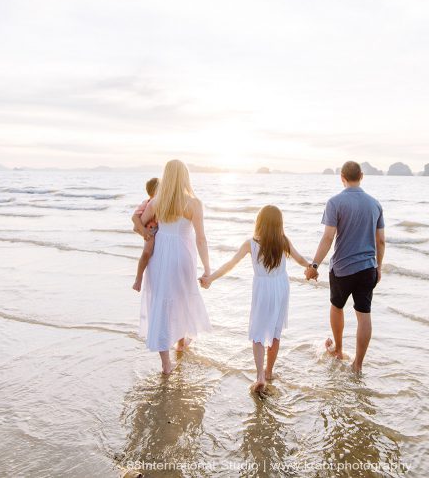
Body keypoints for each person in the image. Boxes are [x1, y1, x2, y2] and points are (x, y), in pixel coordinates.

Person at [200, 205, 312, 392]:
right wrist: (311, 267)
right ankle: (269, 372)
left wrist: (211, 278)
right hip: (281, 288)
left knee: (258, 332)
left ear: (259, 222)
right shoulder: (283, 241)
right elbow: (300, 258)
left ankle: (260, 376)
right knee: (275, 333)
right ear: (279, 224)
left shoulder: (251, 243)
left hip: (263, 289)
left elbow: (230, 264)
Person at [305, 161, 385, 374]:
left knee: (337, 306)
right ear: (361, 175)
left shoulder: (335, 202)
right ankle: (358, 365)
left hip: (342, 268)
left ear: (342, 177)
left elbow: (328, 237)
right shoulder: (375, 204)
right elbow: (381, 242)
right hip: (368, 267)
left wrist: (314, 265)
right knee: (364, 314)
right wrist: (378, 267)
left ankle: (339, 350)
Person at [139, 160, 212, 374]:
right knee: (181, 297)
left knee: (162, 300)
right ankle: (180, 343)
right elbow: (201, 239)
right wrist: (207, 269)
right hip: (183, 255)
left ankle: (166, 364)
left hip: (161, 256)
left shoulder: (156, 202)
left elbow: (142, 225)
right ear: (185, 177)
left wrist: (151, 233)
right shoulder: (194, 203)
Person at [131, 177, 160, 292]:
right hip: (150, 231)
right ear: (154, 191)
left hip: (157, 231)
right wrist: (143, 230)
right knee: (147, 253)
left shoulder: (161, 202)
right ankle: (138, 279)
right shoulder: (147, 203)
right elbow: (134, 217)